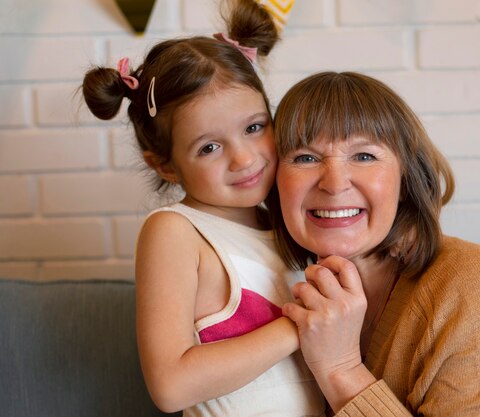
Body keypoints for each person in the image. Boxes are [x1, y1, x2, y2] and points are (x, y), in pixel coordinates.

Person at [267, 71, 480, 416]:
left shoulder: (472, 285)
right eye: (306, 157)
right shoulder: (277, 290)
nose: (333, 184)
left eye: (364, 156)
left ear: (405, 179)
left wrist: (341, 369)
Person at [81, 1, 324, 416]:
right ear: (165, 165)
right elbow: (171, 387)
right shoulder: (176, 231)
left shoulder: (288, 223)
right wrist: (300, 325)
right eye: (209, 147)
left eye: (254, 127)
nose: (244, 159)